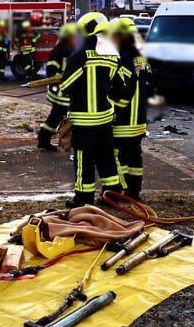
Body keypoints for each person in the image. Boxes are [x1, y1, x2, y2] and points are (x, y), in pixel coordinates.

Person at [59, 13, 122, 207]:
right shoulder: (112, 56)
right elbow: (118, 88)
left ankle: (83, 198)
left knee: (83, 161)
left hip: (84, 122)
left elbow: (66, 85)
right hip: (104, 119)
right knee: (106, 158)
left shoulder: (80, 57)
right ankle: (113, 195)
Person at [109, 17, 151, 201]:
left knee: (119, 157)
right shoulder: (139, 55)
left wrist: (112, 112)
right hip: (139, 117)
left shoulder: (125, 59)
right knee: (134, 158)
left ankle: (124, 192)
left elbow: (123, 90)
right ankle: (134, 191)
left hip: (125, 119)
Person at [37, 22, 76, 152]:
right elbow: (51, 73)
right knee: (56, 117)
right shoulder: (58, 52)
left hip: (67, 92)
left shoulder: (71, 51)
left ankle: (54, 139)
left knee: (60, 117)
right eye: (73, 36)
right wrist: (63, 79)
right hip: (60, 94)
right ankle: (43, 139)